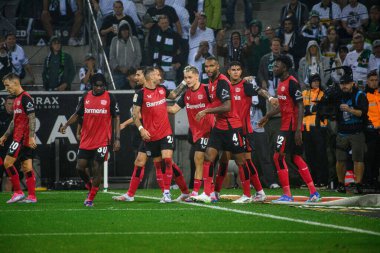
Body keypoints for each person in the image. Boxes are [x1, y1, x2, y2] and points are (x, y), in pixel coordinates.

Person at [112, 67, 189, 202]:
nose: (160, 77)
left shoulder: (162, 89)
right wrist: (141, 129)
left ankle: (167, 194)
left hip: (165, 133)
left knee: (167, 160)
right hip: (150, 135)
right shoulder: (140, 94)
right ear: (151, 77)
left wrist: (184, 82)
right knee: (141, 161)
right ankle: (130, 195)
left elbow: (173, 95)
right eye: (158, 75)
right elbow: (135, 115)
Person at [259, 55, 321, 202]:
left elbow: (301, 106)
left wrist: (298, 130)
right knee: (295, 157)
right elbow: (283, 105)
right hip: (287, 124)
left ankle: (287, 194)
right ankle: (313, 192)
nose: (274, 69)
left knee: (278, 157)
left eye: (276, 66)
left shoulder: (292, 83)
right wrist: (268, 115)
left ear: (285, 68)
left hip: (291, 127)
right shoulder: (281, 83)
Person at [214, 61, 279, 202]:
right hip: (227, 129)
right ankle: (216, 192)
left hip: (243, 130)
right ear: (229, 72)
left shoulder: (246, 86)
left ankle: (251, 193)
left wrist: (271, 97)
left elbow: (260, 90)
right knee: (224, 160)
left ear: (241, 71)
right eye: (233, 69)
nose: (236, 72)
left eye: (238, 69)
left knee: (244, 162)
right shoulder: (225, 86)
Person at [192, 56, 251, 203]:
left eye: (212, 66)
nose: (209, 69)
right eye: (206, 67)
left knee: (240, 161)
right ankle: (206, 193)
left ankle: (247, 195)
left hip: (232, 126)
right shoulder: (211, 82)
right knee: (208, 156)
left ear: (218, 67)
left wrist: (206, 111)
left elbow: (227, 106)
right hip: (219, 126)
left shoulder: (222, 82)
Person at [60, 73, 121, 207]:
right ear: (92, 85)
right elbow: (77, 114)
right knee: (80, 167)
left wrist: (117, 138)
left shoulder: (110, 97)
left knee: (96, 167)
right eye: (96, 85)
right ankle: (91, 187)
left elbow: (116, 117)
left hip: (103, 139)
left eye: (102, 86)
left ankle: (90, 198)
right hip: (87, 139)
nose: (99, 88)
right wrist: (66, 125)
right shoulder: (86, 96)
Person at [167, 65, 214, 200]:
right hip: (197, 133)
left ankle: (206, 192)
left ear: (196, 76)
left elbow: (218, 104)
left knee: (202, 159)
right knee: (199, 160)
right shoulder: (186, 94)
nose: (187, 80)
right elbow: (173, 109)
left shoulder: (206, 89)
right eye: (185, 78)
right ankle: (203, 192)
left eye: (189, 77)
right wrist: (156, 106)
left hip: (209, 131)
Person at [0, 73, 37, 203]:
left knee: (7, 163)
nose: (6, 88)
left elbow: (32, 118)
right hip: (21, 137)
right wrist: (4, 136)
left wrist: (31, 137)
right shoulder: (16, 99)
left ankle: (18, 192)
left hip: (22, 138)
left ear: (15, 82)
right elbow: (14, 121)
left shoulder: (26, 98)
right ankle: (32, 196)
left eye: (7, 85)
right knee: (27, 167)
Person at [334, 66, 368, 194]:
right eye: (342, 84)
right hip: (342, 132)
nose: (344, 86)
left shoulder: (359, 95)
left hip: (357, 132)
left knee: (358, 159)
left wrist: (349, 110)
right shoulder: (338, 95)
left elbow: (362, 113)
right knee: (340, 159)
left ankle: (358, 184)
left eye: (347, 84)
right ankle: (341, 184)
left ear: (352, 83)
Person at [302, 73, 329, 187]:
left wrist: (309, 109)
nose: (316, 83)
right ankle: (311, 180)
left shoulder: (324, 94)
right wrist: (311, 109)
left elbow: (322, 109)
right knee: (309, 155)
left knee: (320, 155)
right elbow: (301, 108)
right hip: (306, 128)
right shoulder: (304, 93)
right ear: (310, 82)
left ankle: (322, 180)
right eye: (314, 81)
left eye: (318, 81)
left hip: (319, 128)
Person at [147, 15, 183, 82]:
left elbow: (181, 50)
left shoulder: (175, 35)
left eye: (166, 23)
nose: (164, 25)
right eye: (162, 23)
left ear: (168, 23)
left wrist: (179, 62)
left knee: (170, 87)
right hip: (157, 67)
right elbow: (151, 50)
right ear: (159, 24)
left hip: (170, 67)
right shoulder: (154, 35)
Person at [109, 20, 142, 89]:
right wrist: (119, 68)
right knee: (119, 93)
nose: (125, 31)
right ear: (119, 31)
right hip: (118, 73)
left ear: (129, 30)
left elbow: (139, 56)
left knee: (134, 94)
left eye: (126, 29)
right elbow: (111, 57)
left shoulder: (135, 40)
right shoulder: (114, 40)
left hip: (132, 72)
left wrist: (132, 67)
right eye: (122, 30)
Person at [364, 70, 380, 189]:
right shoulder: (364, 96)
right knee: (370, 158)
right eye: (372, 80)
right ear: (367, 81)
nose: (374, 83)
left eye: (376, 80)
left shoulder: (378, 95)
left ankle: (375, 180)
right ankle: (369, 181)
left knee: (377, 158)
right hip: (371, 131)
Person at [0, 96, 15, 191]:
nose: (11, 106)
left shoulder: (18, 117)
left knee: (11, 177)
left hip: (12, 151)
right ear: (5, 105)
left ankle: (9, 198)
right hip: (0, 151)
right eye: (9, 104)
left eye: (13, 104)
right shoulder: (0, 115)